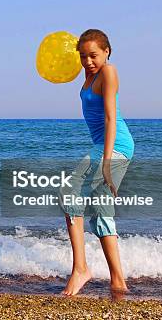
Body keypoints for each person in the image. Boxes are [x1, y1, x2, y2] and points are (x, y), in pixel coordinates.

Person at [60, 29, 134, 296]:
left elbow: (110, 119)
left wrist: (105, 161)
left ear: (107, 52)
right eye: (83, 56)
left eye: (93, 55)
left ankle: (80, 268)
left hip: (115, 145)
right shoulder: (89, 74)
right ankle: (118, 281)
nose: (88, 61)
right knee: (102, 212)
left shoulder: (108, 72)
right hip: (103, 146)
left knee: (68, 194)